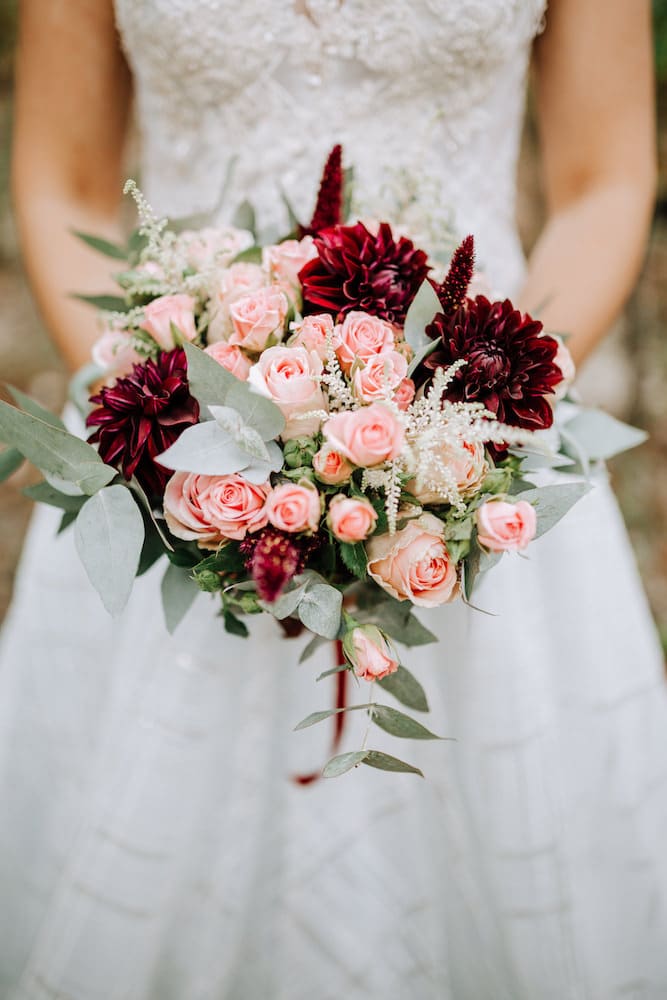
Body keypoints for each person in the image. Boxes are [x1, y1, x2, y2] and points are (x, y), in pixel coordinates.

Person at [1, 1, 666, 997]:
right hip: (173, 466)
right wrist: (166, 418)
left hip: (475, 450)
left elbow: (601, 178)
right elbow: (69, 181)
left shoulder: (470, 435)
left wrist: (461, 424)